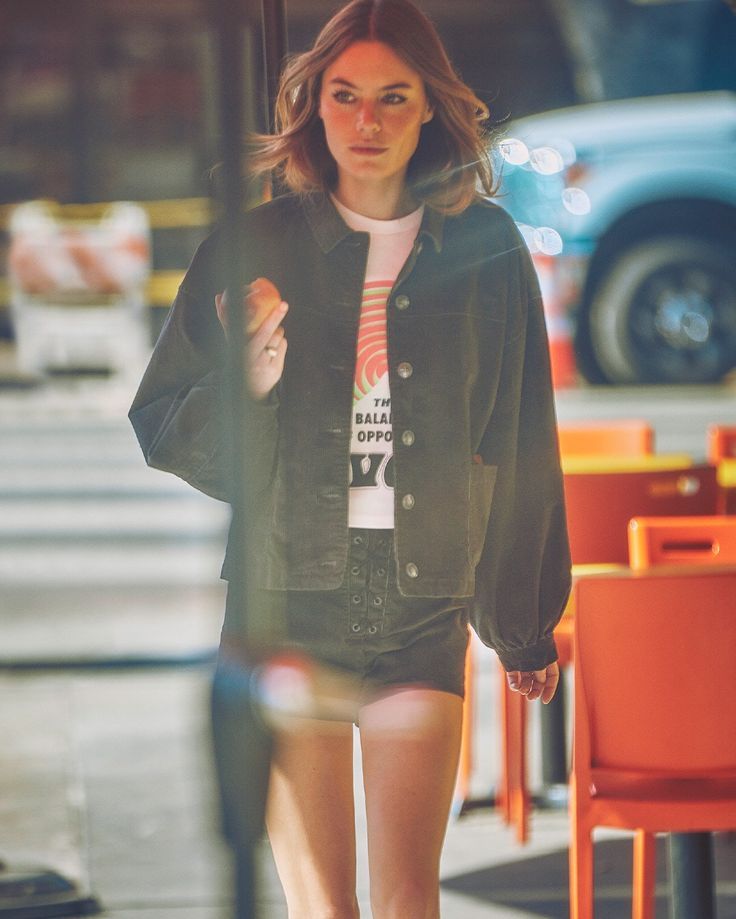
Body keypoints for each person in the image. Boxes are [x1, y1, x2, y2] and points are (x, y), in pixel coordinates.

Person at [129, 0, 571, 915]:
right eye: (345, 96)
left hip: (424, 602)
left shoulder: (487, 250)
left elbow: (521, 438)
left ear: (429, 109)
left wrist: (523, 619)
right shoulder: (254, 249)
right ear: (315, 105)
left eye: (393, 97)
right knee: (323, 906)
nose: (367, 122)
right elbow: (166, 423)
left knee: (410, 898)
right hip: (285, 597)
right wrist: (247, 383)